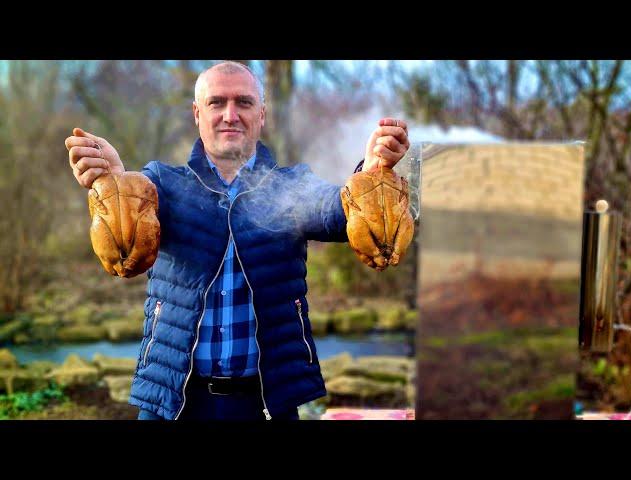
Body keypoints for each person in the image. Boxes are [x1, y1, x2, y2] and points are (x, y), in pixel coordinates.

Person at [65, 61, 410, 420]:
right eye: (217, 103)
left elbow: (340, 212)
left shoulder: (291, 186)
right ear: (197, 114)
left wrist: (371, 173)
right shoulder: (162, 184)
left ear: (261, 114)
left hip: (266, 402)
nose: (230, 114)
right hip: (173, 400)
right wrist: (116, 182)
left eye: (243, 103)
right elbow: (128, 227)